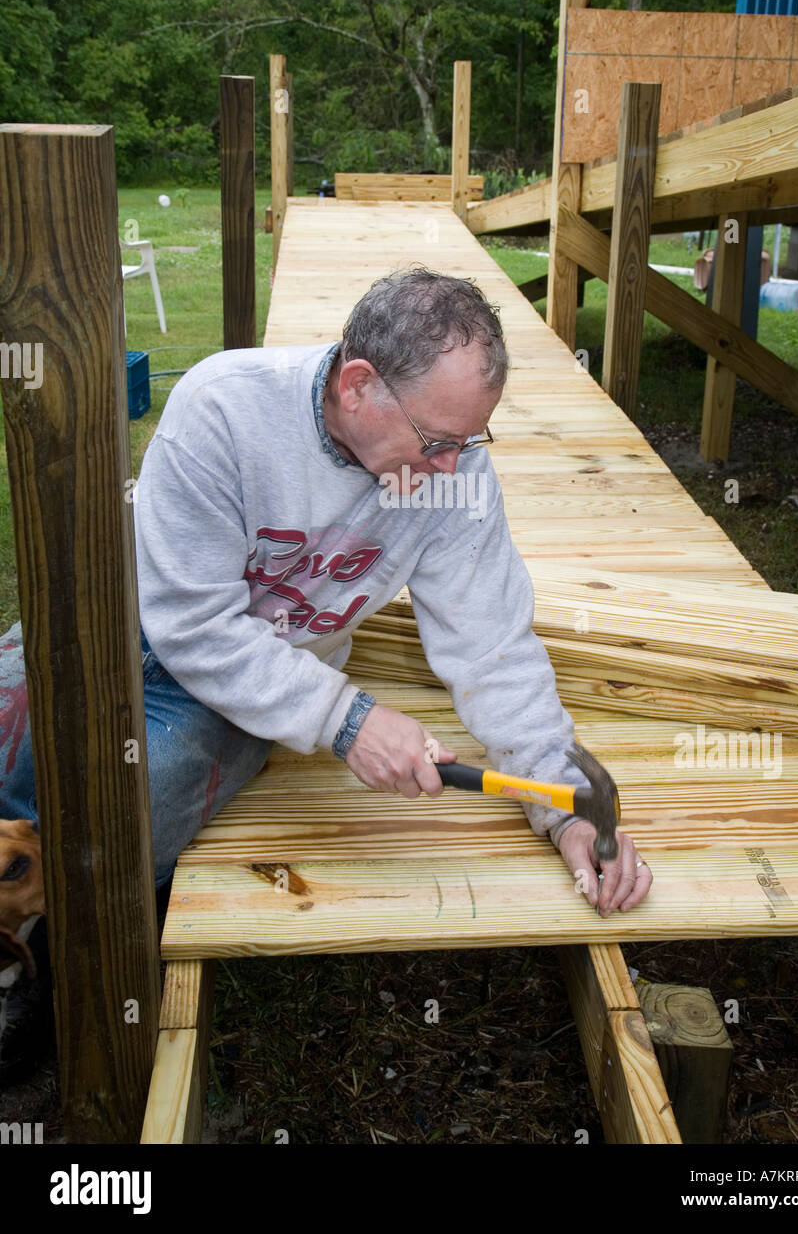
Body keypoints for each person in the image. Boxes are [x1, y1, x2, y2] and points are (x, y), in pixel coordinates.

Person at [0, 265, 652, 1080]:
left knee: (125, 800)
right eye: (439, 441)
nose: (452, 468)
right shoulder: (226, 409)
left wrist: (566, 803)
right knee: (14, 737)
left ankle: (57, 971)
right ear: (358, 385)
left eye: (469, 441)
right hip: (122, 620)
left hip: (248, 686)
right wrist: (350, 721)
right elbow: (194, 622)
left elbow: (493, 648)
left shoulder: (452, 481)